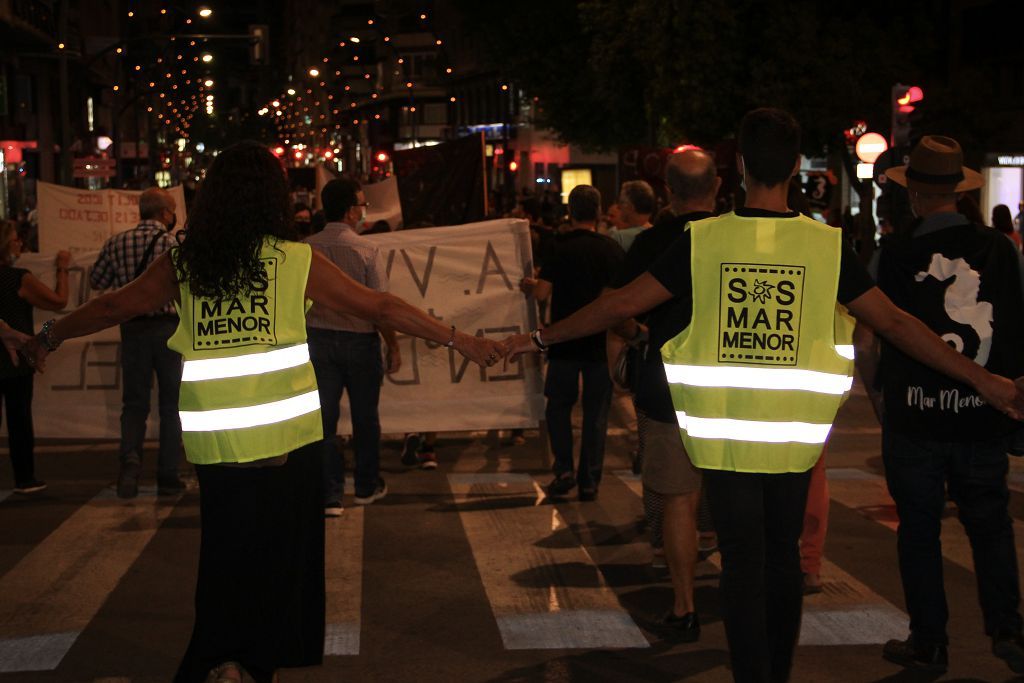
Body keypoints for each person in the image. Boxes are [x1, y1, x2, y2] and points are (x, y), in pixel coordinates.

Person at [502, 108, 1024, 683]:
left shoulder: (705, 241)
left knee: (741, 563)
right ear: (797, 166)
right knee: (781, 561)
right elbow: (898, 325)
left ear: (742, 165)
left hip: (723, 440)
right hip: (793, 443)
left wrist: (536, 338)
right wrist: (984, 379)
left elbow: (621, 304)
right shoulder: (825, 247)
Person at [18, 141, 503, 683]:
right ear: (273, 199)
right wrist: (459, 339)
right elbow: (381, 307)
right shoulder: (294, 262)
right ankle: (252, 665)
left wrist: (47, 335)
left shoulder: (185, 263)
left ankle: (217, 658)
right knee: (280, 563)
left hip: (217, 446)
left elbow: (112, 306)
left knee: (224, 556)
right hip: (286, 445)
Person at [857, 136, 1024, 675]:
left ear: (914, 196)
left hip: (914, 416)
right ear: (956, 190)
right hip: (981, 415)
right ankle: (1007, 629)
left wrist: (882, 398)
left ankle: (929, 641)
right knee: (990, 523)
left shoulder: (892, 256)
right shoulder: (1002, 250)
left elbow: (868, 341)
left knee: (920, 530)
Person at [606, 149, 719, 640]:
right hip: (733, 385)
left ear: (669, 192)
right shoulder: (733, 237)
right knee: (736, 497)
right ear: (717, 187)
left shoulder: (652, 242)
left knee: (677, 501)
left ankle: (684, 605)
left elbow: (618, 309)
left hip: (668, 382)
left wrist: (638, 335)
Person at [520, 185, 625, 501]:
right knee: (596, 415)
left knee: (558, 409)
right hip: (598, 345)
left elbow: (541, 294)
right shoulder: (611, 250)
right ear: (597, 212)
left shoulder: (559, 246)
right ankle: (590, 479)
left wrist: (531, 284)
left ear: (570, 211)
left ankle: (563, 469)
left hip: (564, 341)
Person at [306, 178, 401, 515]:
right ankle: (365, 485)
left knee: (324, 421)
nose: (364, 212)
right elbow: (380, 306)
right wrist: (393, 345)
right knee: (365, 418)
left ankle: (330, 494)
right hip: (360, 342)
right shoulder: (366, 249)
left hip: (317, 341)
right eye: (362, 205)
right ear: (349, 211)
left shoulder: (306, 249)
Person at [91, 187, 184, 498]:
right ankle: (168, 474)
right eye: (172, 212)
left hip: (132, 330)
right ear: (164, 214)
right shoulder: (173, 245)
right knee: (171, 405)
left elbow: (97, 282)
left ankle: (130, 465)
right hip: (169, 330)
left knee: (134, 404)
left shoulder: (116, 242)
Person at [0, 221, 69, 494]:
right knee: (18, 418)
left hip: (11, 353)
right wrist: (62, 268)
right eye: (16, 239)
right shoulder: (18, 278)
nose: (20, 244)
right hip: (15, 359)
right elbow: (58, 301)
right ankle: (24, 477)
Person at [607, 180, 657, 252]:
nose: (618, 206)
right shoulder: (660, 235)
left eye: (621, 202)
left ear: (631, 207)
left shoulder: (619, 238)